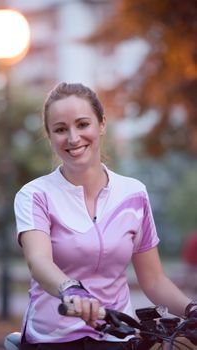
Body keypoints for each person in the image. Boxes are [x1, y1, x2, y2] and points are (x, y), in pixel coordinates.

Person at [14, 82, 197, 350]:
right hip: (52, 337)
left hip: (117, 336)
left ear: (101, 124)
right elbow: (39, 261)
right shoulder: (34, 195)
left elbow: (154, 280)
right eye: (61, 129)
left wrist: (192, 310)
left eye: (82, 124)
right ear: (50, 136)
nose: (73, 137)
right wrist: (70, 290)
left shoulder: (134, 193)